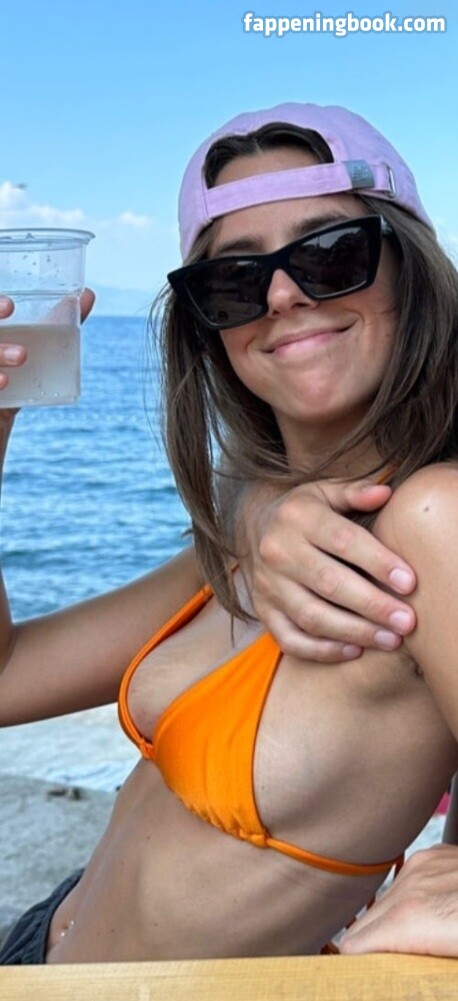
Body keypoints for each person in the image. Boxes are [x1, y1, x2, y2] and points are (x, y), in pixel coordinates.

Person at [1, 100, 458, 965]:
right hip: (35, 945)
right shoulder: (251, 529)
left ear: (412, 270)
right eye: (235, 279)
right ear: (210, 325)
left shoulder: (433, 523)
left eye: (333, 253)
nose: (282, 294)